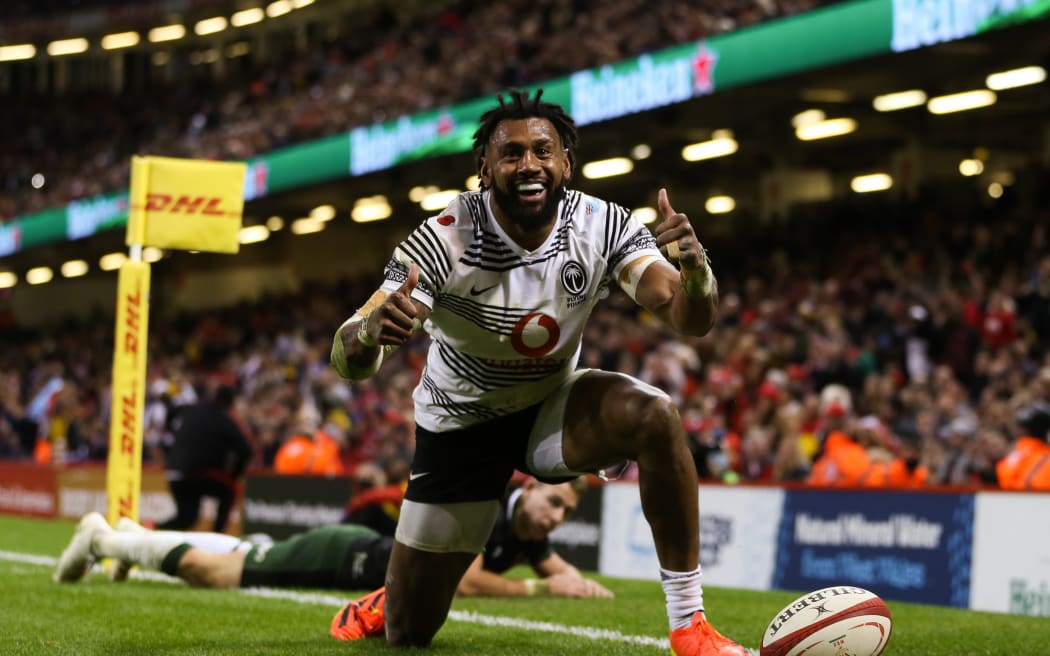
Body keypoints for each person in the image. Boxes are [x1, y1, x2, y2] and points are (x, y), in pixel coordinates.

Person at [328, 88, 744, 655]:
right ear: (485, 168)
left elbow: (688, 318)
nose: (529, 165)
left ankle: (690, 625)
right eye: (512, 153)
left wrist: (695, 272)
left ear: (566, 162)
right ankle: (391, 596)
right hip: (460, 427)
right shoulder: (448, 234)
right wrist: (371, 335)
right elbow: (348, 356)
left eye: (543, 151)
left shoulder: (603, 224)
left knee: (654, 414)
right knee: (408, 633)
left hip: (549, 407)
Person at [52, 477, 611, 600]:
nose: (557, 518)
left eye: (566, 512)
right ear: (532, 487)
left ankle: (127, 536)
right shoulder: (486, 507)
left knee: (247, 556)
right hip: (349, 558)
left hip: (356, 559)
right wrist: (543, 593)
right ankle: (104, 539)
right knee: (213, 573)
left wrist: (576, 583)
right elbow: (463, 581)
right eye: (555, 503)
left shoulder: (526, 530)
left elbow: (554, 566)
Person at [158, 384, 253, 533]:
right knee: (231, 490)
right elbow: (246, 450)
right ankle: (218, 538)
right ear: (231, 402)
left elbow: (172, 411)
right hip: (200, 474)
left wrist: (169, 433)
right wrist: (234, 474)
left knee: (186, 518)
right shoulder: (225, 418)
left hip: (174, 473)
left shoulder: (191, 408)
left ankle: (152, 530)